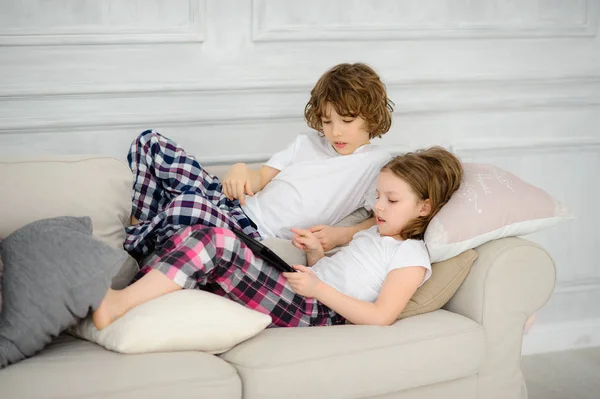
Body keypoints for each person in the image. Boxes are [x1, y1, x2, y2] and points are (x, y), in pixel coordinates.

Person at [93, 146, 463, 329]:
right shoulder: (374, 237)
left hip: (317, 313)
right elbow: (339, 275)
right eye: (379, 196)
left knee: (218, 243)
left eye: (391, 200)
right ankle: (132, 290)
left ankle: (119, 303)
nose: (378, 207)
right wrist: (318, 254)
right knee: (208, 234)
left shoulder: (411, 255)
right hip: (307, 292)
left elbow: (382, 316)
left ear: (425, 208)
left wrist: (319, 289)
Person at [124, 63, 394, 258]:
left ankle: (131, 245)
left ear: (371, 116)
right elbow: (260, 179)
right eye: (326, 121)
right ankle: (147, 229)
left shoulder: (377, 163)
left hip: (252, 232)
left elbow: (388, 215)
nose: (335, 131)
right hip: (229, 203)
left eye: (346, 121)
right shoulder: (306, 143)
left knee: (187, 206)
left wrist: (343, 235)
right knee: (150, 143)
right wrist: (241, 169)